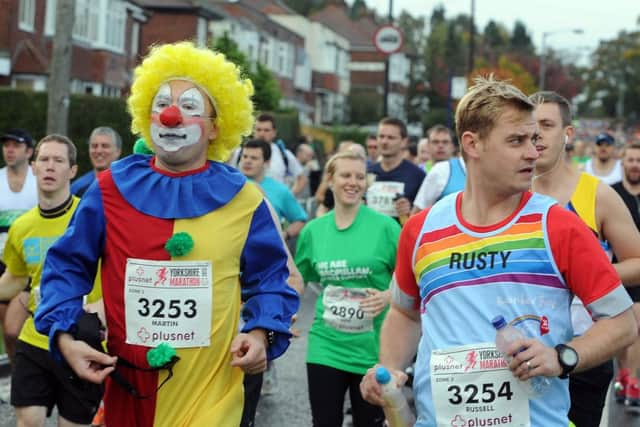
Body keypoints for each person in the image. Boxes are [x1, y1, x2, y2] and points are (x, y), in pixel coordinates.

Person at [33, 42, 299, 427]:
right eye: (160, 105)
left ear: (216, 126)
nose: (171, 116)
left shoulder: (244, 199)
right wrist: (64, 336)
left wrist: (260, 333)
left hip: (214, 392)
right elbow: (66, 265)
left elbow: (271, 279)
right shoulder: (110, 189)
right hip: (129, 392)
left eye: (190, 108)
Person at [359, 76, 637, 427]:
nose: (532, 152)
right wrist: (390, 369)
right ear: (473, 144)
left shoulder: (559, 226)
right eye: (516, 140)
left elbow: (622, 323)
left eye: (534, 139)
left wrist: (563, 357)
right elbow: (405, 313)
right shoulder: (421, 229)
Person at [530, 91, 640, 426]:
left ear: (568, 133)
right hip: (520, 352)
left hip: (581, 352)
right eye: (528, 126)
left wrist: (584, 278)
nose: (536, 134)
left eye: (546, 125)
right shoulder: (508, 194)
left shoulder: (597, 195)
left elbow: (638, 262)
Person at [0, 134, 104, 426]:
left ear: (72, 171)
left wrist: (103, 306)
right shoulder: (22, 227)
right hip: (35, 336)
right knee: (28, 421)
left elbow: (118, 272)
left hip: (82, 338)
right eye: (44, 160)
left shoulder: (91, 217)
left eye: (58, 161)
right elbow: (14, 278)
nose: (50, 166)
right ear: (33, 167)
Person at [295, 150, 401, 427]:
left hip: (374, 349)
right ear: (330, 179)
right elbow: (297, 278)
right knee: (324, 422)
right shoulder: (313, 231)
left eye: (359, 176)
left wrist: (389, 295)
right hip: (325, 345)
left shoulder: (386, 228)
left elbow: (411, 278)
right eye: (345, 175)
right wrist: (284, 315)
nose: (353, 182)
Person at [0, 129, 38, 361]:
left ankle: (21, 381)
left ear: (29, 151)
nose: (10, 150)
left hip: (27, 267)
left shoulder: (39, 181)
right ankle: (17, 381)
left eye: (16, 145)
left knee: (14, 330)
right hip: (1, 263)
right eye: (6, 145)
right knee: (7, 331)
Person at [611, 142, 640, 411]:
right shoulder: (612, 194)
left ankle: (631, 379)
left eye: (639, 160)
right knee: (626, 333)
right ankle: (623, 371)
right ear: (623, 163)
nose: (635, 165)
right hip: (619, 271)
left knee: (638, 327)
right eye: (630, 160)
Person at [238, 139, 307, 242]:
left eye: (254, 158)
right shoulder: (229, 185)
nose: (247, 161)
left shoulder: (280, 190)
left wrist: (285, 234)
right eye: (245, 156)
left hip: (265, 252)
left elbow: (300, 220)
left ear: (267, 162)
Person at [229, 114, 306, 196]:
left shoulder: (284, 154)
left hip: (274, 205)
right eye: (258, 130)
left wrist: (287, 198)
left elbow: (302, 179)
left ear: (274, 133)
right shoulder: (239, 153)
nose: (262, 134)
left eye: (266, 130)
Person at [367, 118, 425, 223]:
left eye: (391, 138)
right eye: (381, 136)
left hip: (401, 236)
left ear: (404, 142)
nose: (384, 141)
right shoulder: (367, 172)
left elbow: (425, 215)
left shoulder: (418, 176)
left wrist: (409, 212)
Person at [412, 124, 463, 213]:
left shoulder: (465, 168)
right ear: (427, 145)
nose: (440, 146)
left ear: (453, 146)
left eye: (445, 142)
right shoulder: (417, 172)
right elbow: (417, 213)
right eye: (435, 142)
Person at [71, 127, 122, 197]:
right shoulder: (77, 188)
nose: (99, 151)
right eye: (94, 146)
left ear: (118, 151)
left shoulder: (129, 184)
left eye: (105, 146)